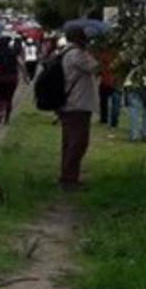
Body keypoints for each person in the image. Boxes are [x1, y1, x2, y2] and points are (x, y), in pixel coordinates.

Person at [58, 26, 99, 191]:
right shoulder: (77, 54)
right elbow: (95, 67)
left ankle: (68, 176)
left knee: (69, 143)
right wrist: (89, 51)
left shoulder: (65, 53)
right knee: (78, 143)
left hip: (70, 103)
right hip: (78, 104)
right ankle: (69, 179)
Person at [0, 35, 24, 126]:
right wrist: (26, 76)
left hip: (1, 77)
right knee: (9, 98)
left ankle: (0, 112)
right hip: (12, 77)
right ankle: (7, 118)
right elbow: (21, 64)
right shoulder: (13, 52)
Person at [123, 65, 146, 143]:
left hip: (133, 88)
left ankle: (134, 136)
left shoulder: (130, 64)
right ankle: (145, 134)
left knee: (135, 114)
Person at [96, 44, 121, 128]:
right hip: (115, 81)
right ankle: (114, 122)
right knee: (115, 103)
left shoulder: (103, 55)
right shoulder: (118, 55)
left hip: (105, 81)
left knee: (104, 102)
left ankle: (104, 119)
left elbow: (99, 68)